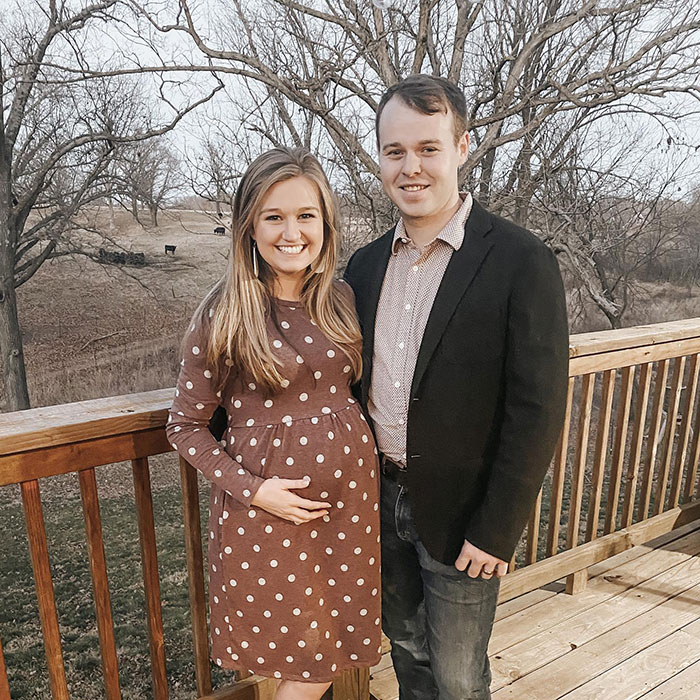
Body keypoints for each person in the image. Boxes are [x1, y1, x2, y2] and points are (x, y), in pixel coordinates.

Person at [344, 75, 569, 699]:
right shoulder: (363, 266)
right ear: (381, 157)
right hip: (379, 502)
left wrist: (499, 527)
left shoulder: (520, 260)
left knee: (459, 676)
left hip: (464, 513)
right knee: (408, 651)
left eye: (428, 148)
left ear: (462, 147)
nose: (410, 167)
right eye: (395, 151)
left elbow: (539, 406)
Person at [167, 147, 382, 700]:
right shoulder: (225, 312)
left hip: (349, 511)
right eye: (274, 216)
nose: (292, 232)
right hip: (269, 516)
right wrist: (256, 490)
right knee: (307, 663)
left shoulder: (340, 297)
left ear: (325, 223)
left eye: (306, 215)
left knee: (327, 652)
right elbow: (185, 427)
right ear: (250, 228)